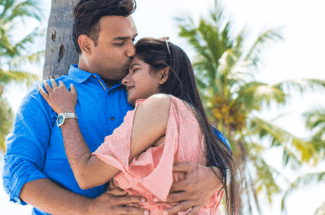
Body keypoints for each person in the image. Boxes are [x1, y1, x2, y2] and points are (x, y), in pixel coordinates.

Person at [3, 0, 227, 215]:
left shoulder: (144, 94)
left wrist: (218, 176)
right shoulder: (47, 98)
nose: (131, 50)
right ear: (87, 45)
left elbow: (212, 141)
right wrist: (89, 209)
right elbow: (18, 172)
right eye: (120, 43)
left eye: (133, 39)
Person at [39, 38, 240, 215]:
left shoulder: (159, 105)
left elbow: (86, 174)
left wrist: (66, 112)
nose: (125, 80)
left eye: (135, 70)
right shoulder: (198, 128)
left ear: (163, 75)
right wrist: (221, 174)